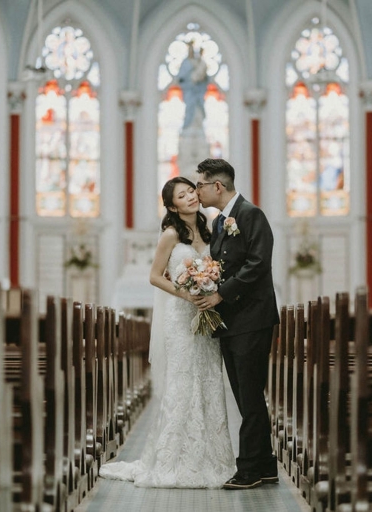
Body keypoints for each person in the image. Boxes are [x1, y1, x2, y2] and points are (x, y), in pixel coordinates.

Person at [99, 176, 235, 488]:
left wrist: (209, 283)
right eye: (182, 195)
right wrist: (187, 293)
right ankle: (172, 459)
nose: (190, 197)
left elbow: (218, 266)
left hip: (206, 313)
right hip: (181, 315)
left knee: (210, 380)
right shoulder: (170, 234)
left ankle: (215, 459)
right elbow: (153, 277)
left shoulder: (209, 229)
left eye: (191, 191)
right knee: (183, 380)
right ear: (172, 205)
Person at [194, 158, 280, 490]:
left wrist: (220, 295)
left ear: (217, 186)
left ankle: (248, 470)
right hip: (232, 321)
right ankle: (265, 464)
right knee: (245, 396)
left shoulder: (250, 214)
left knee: (250, 394)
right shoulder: (219, 223)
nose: (197, 190)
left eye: (200, 184)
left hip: (252, 318)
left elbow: (259, 263)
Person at [177, 43, 208, 130]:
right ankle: (187, 126)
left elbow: (204, 78)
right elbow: (181, 77)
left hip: (198, 92)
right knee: (189, 108)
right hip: (189, 91)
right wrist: (189, 81)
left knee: (198, 109)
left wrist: (199, 78)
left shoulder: (199, 63)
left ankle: (198, 126)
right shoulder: (185, 63)